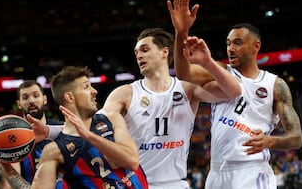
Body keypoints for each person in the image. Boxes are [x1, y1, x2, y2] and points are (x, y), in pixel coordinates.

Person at [167, 0, 302, 189]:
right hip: (217, 171)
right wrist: (181, 33)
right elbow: (183, 73)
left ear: (256, 46)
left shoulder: (275, 84)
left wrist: (269, 142)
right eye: (228, 43)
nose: (230, 48)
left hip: (252, 169)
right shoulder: (220, 71)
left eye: (238, 43)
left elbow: (297, 138)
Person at [99, 24, 241, 189]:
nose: (139, 56)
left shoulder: (188, 89)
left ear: (164, 52)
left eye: (145, 50)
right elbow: (99, 126)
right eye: (136, 52)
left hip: (176, 183)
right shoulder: (124, 93)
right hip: (137, 184)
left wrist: (207, 62)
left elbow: (233, 91)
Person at [0, 66, 149, 188]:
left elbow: (132, 161)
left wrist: (89, 136)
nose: (94, 91)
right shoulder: (54, 151)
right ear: (70, 97)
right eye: (86, 86)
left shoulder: (111, 119)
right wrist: (4, 165)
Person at [0, 80, 68, 188]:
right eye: (25, 97)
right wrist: (1, 161)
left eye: (36, 95)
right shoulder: (13, 139)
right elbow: (11, 186)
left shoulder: (63, 129)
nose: (31, 101)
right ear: (19, 104)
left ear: (45, 99)